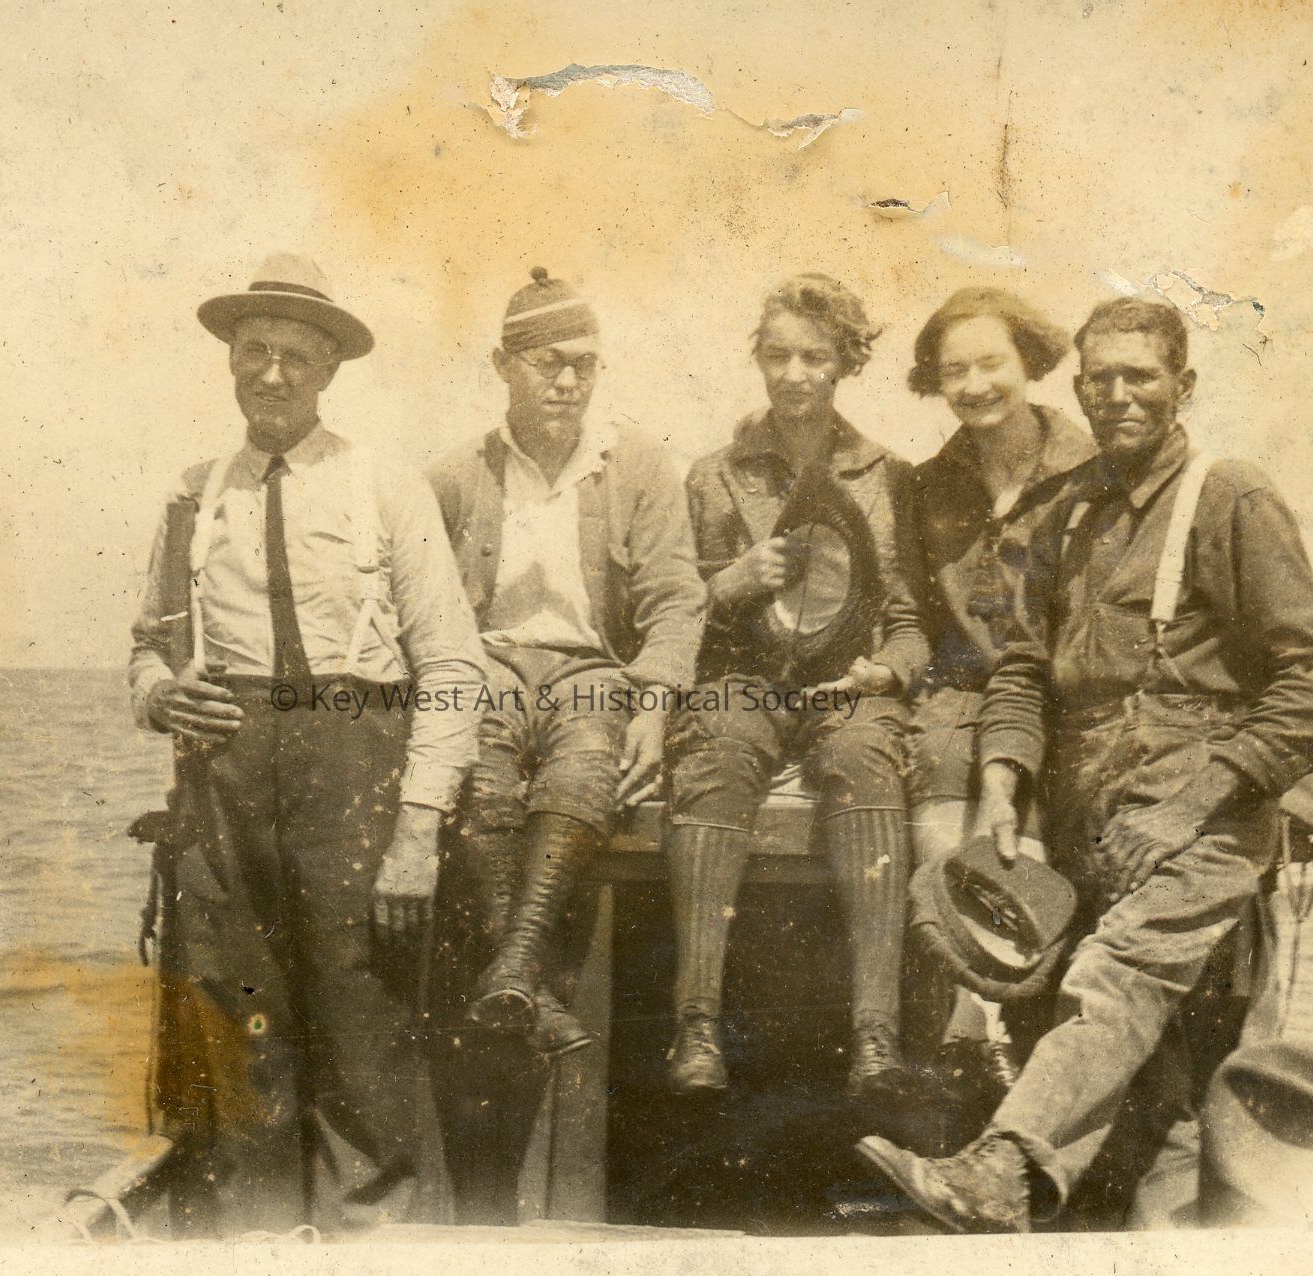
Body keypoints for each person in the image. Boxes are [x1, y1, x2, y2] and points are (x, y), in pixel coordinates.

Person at [856, 297, 1313, 1232]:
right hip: (1091, 813)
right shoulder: (1069, 512)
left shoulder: (1228, 496)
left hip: (1199, 815)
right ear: (1077, 389)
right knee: (1153, 1075)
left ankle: (1002, 1168)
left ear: (1181, 386)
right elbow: (1020, 668)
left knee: (1114, 978)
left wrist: (1187, 808)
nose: (1118, 395)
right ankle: (1144, 1252)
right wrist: (1002, 780)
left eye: (1141, 377)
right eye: (1100, 380)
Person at [128, 252, 487, 1237]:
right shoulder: (193, 496)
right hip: (225, 790)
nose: (272, 373)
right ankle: (254, 1268)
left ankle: (378, 1263)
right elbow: (145, 649)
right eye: (254, 352)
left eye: (294, 355)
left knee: (365, 1032)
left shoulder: (384, 486)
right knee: (239, 1034)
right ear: (230, 362)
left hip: (353, 778)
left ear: (329, 368)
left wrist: (416, 830)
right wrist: (161, 696)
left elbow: (452, 665)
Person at [424, 268, 704, 1221]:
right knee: (481, 770)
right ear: (502, 366)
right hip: (488, 661)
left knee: (587, 763)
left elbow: (675, 598)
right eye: (548, 363)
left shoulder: (638, 467)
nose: (568, 382)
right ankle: (526, 983)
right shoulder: (455, 476)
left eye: (584, 364)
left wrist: (654, 702)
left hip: (592, 665)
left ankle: (513, 968)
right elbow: (428, 610)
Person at [664, 272, 929, 1099]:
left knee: (866, 755)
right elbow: (670, 613)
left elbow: (911, 621)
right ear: (757, 358)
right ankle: (696, 1025)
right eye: (776, 355)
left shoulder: (888, 477)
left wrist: (885, 671)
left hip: (847, 687)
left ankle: (876, 1037)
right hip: (741, 679)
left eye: (814, 356)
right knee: (717, 745)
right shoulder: (713, 476)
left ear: (844, 362)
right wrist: (731, 581)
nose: (793, 374)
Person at [899, 288, 1093, 1090]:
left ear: (1028, 362)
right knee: (940, 779)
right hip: (955, 690)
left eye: (990, 364)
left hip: (1055, 687)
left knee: (1027, 806)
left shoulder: (1088, 470)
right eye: (954, 371)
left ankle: (991, 1016)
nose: (974, 385)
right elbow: (909, 613)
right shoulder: (925, 484)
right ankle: (973, 1013)